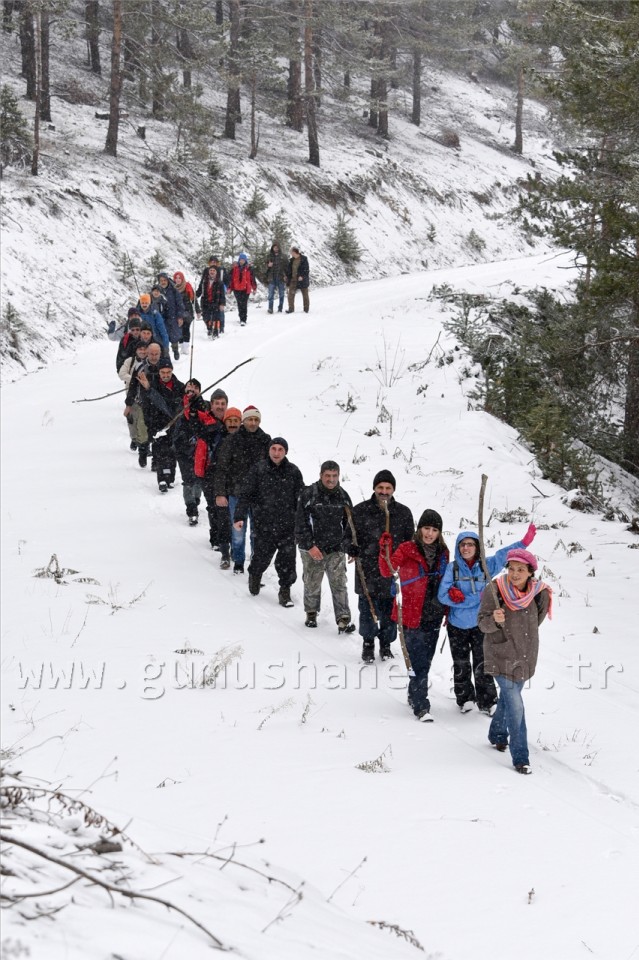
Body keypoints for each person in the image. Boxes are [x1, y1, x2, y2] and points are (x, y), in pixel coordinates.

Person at [437, 524, 537, 715]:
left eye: (470, 544)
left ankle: (487, 700)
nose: (466, 548)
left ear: (477, 547)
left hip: (480, 625)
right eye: (462, 545)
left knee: (484, 663)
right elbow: (442, 595)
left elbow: (504, 555)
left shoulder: (486, 565)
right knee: (461, 662)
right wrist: (472, 599)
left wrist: (523, 543)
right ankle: (465, 698)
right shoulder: (453, 568)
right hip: (457, 625)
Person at [478, 549, 552, 775]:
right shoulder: (495, 589)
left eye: (521, 569)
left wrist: (521, 639)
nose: (515, 573)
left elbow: (535, 622)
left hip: (525, 655)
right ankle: (521, 757)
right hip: (499, 654)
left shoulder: (541, 594)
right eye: (511, 568)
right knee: (516, 704)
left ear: (531, 572)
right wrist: (495, 620)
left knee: (509, 700)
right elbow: (482, 623)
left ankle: (497, 734)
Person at [379, 509, 449, 721]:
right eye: (426, 528)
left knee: (425, 661)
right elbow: (386, 570)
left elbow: (445, 580)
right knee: (417, 660)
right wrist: (384, 550)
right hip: (410, 613)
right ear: (419, 529)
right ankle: (421, 704)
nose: (429, 533)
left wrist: (447, 606)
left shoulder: (443, 552)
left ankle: (413, 693)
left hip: (434, 613)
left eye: (434, 530)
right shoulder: (407, 548)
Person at [347, 470, 414, 663]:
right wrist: (351, 548)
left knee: (390, 614)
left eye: (388, 488)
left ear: (393, 489)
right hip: (367, 571)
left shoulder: (403, 513)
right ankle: (368, 643)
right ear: (374, 488)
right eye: (380, 488)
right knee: (367, 610)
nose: (384, 491)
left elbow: (410, 543)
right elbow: (348, 538)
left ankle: (386, 644)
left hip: (392, 573)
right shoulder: (360, 511)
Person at [234, 438, 304, 606]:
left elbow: (301, 497)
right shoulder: (258, 470)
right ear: (269, 450)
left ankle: (285, 591)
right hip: (264, 524)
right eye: (274, 448)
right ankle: (255, 575)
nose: (276, 452)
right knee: (261, 557)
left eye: (280, 449)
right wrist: (239, 516)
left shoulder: (293, 471)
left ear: (285, 452)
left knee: (287, 560)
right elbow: (246, 494)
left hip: (288, 525)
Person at [295, 460, 355, 633]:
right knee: (312, 582)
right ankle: (311, 613)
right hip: (313, 548)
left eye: (334, 476)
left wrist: (349, 546)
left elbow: (350, 525)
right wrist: (310, 546)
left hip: (336, 549)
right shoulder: (309, 495)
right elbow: (300, 523)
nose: (331, 479)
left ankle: (343, 618)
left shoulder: (343, 497)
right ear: (321, 475)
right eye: (327, 476)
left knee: (339, 583)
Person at [213, 405, 271, 574]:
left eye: (256, 420)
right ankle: (238, 561)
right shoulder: (232, 440)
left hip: (259, 495)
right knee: (238, 531)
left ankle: (256, 563)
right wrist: (220, 493)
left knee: (257, 532)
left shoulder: (266, 440)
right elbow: (221, 468)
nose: (253, 423)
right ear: (243, 421)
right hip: (236, 493)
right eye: (249, 419)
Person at [138, 358, 184, 493]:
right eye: (163, 372)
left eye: (168, 372)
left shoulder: (180, 386)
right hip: (157, 426)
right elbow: (146, 406)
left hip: (174, 426)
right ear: (159, 372)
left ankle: (170, 478)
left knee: (172, 453)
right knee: (160, 453)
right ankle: (162, 479)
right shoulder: (151, 385)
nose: (165, 375)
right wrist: (150, 425)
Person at [172, 379, 207, 525]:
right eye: (189, 386)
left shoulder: (204, 405)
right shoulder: (180, 404)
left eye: (195, 387)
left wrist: (196, 411)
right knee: (188, 479)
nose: (191, 389)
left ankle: (196, 498)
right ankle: (191, 509)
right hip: (182, 448)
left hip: (199, 449)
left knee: (198, 477)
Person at [123, 341, 162, 467]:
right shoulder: (140, 367)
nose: (154, 356)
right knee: (143, 431)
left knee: (158, 432)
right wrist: (128, 405)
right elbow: (133, 387)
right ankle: (143, 451)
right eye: (151, 354)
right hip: (142, 405)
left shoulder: (164, 367)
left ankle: (156, 459)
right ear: (147, 354)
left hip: (159, 406)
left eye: (156, 354)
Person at [119, 341, 147, 451]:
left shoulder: (150, 362)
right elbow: (122, 374)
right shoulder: (130, 361)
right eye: (140, 349)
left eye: (144, 349)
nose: (142, 351)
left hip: (144, 397)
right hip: (131, 394)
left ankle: (143, 444)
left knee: (143, 421)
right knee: (132, 420)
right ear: (136, 351)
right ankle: (134, 438)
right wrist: (135, 381)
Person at [157, 272, 185, 361]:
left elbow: (180, 304)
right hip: (161, 318)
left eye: (164, 280)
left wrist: (180, 316)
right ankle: (166, 354)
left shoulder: (174, 290)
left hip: (173, 317)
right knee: (163, 337)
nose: (163, 282)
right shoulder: (157, 291)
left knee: (174, 336)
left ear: (168, 280)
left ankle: (175, 350)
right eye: (161, 281)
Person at [227, 252, 257, 326]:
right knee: (239, 304)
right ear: (239, 260)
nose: (242, 261)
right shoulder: (234, 269)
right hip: (236, 289)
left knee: (244, 304)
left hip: (245, 289)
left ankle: (243, 319)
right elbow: (231, 279)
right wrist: (229, 288)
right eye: (240, 260)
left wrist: (254, 288)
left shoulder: (249, 269)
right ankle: (241, 318)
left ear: (245, 260)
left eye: (243, 260)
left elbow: (252, 279)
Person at [196, 265, 226, 338]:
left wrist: (222, 303)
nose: (212, 272)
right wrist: (195, 296)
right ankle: (209, 328)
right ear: (208, 272)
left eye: (213, 271)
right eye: (210, 270)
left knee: (216, 318)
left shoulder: (220, 282)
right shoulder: (204, 281)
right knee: (206, 318)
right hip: (205, 302)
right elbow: (200, 290)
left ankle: (215, 331)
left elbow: (222, 294)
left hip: (216, 302)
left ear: (216, 272)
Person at [173, 271, 195, 348]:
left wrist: (198, 311)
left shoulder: (187, 286)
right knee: (179, 329)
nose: (178, 279)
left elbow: (193, 299)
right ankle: (181, 345)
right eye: (176, 278)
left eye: (179, 278)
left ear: (182, 279)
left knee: (186, 328)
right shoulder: (173, 288)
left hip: (187, 311)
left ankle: (186, 346)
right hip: (178, 312)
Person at [285, 246, 310, 314]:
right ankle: (291, 309)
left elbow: (306, 269)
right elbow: (289, 270)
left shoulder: (304, 259)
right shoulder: (291, 260)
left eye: (291, 252)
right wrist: (287, 276)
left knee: (305, 295)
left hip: (302, 280)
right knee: (290, 295)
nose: (291, 253)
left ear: (295, 252)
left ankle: (306, 309)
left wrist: (302, 276)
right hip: (293, 280)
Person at [265, 241, 286, 314]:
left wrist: (285, 276)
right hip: (272, 278)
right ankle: (270, 308)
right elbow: (264, 267)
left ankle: (280, 308)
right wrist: (268, 265)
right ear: (272, 248)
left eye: (277, 247)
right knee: (270, 294)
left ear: (279, 248)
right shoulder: (269, 256)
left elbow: (287, 267)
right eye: (274, 247)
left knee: (281, 294)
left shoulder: (283, 256)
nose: (276, 249)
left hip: (281, 278)